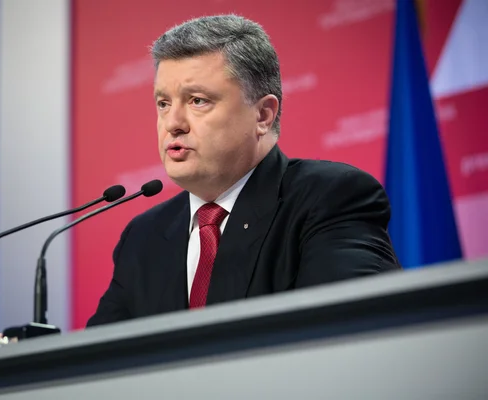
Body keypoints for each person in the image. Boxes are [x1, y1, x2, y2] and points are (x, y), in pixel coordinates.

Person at [85, 14, 401, 327]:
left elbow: (351, 331)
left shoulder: (329, 198)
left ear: (263, 115)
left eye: (197, 100)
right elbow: (96, 364)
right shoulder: (144, 237)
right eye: (163, 103)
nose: (173, 124)